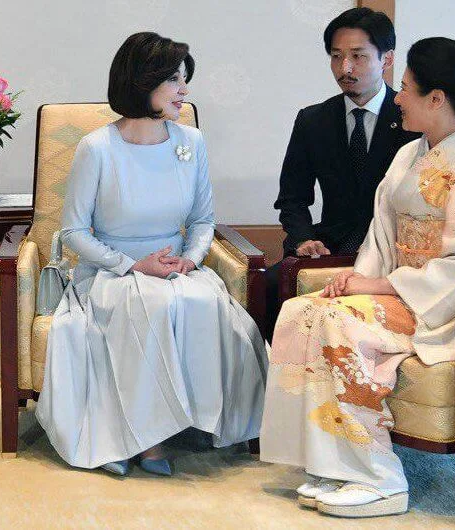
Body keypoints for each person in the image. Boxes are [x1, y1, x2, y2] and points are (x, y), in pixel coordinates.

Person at [260, 37, 455, 517]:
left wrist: (377, 287)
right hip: (406, 293)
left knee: (341, 323)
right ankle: (333, 462)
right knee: (302, 309)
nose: (397, 97)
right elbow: (381, 239)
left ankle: (380, 478)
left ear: (437, 99)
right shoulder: (411, 155)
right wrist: (356, 280)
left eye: (405, 89)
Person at [36, 32, 268, 477]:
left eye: (185, 80)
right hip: (109, 270)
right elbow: (73, 233)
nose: (185, 91)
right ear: (143, 83)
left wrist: (191, 260)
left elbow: (202, 221)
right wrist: (130, 264)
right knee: (149, 305)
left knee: (200, 300)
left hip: (174, 267)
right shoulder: (97, 148)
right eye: (174, 81)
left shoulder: (191, 142)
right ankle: (145, 439)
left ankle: (186, 423)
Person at [265, 7, 419, 342]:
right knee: (267, 286)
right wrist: (303, 239)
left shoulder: (412, 120)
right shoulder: (313, 120)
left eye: (358, 57)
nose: (345, 68)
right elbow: (292, 198)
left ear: (387, 59)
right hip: (331, 245)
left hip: (393, 248)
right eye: (336, 57)